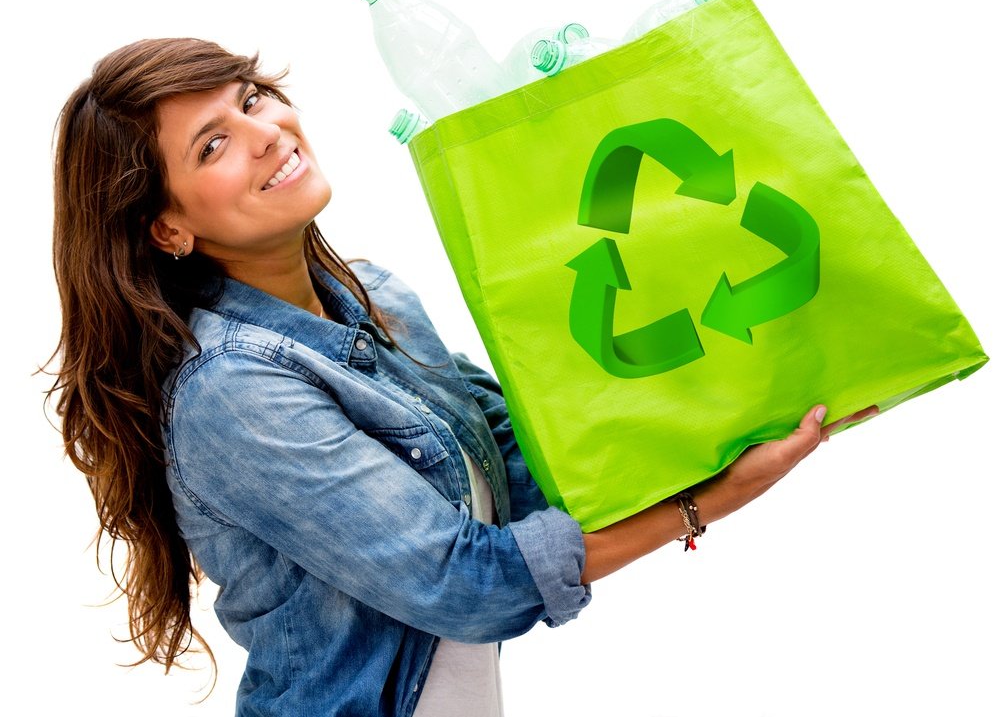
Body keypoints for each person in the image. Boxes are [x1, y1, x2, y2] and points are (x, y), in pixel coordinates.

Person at [49, 37, 877, 716]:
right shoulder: (233, 392)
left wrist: (753, 398)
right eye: (213, 144)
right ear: (167, 226)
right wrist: (712, 499)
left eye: (252, 97)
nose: (264, 131)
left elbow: (528, 469)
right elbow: (468, 581)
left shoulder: (380, 299)